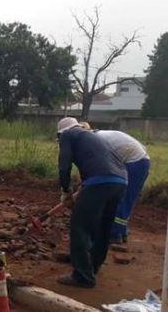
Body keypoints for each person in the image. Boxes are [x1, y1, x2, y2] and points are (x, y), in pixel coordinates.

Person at [56, 117, 127, 288]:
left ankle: (82, 276)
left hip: (100, 182)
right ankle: (93, 267)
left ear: (60, 133)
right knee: (102, 228)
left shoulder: (68, 135)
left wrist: (65, 190)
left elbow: (64, 165)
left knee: (79, 226)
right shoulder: (92, 136)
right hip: (121, 181)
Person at [80, 122, 151, 244]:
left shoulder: (96, 140)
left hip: (135, 163)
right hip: (138, 160)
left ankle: (115, 234)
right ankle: (121, 232)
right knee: (125, 198)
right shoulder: (100, 135)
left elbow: (101, 166)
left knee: (123, 198)